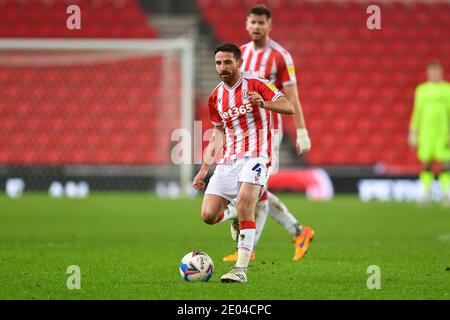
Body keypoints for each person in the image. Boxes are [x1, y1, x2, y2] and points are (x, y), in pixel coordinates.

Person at [221, 4, 315, 263]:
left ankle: (250, 243)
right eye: (252, 22)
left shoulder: (281, 56)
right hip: (243, 131)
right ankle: (296, 232)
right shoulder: (238, 54)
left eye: (261, 23)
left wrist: (301, 130)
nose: (256, 27)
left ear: (269, 26)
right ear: (246, 24)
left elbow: (292, 98)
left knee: (255, 190)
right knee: (256, 192)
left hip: (268, 133)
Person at [193, 43, 293, 283]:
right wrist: (204, 169)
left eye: (228, 62)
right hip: (228, 160)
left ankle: (240, 269)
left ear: (239, 62)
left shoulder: (257, 83)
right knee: (208, 215)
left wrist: (264, 103)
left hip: (257, 156)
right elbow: (218, 134)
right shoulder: (216, 96)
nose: (223, 67)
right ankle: (233, 213)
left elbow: (288, 106)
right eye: (218, 63)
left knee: (246, 203)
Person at [409, 60, 450, 205]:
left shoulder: (447, 89)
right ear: (428, 73)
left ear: (441, 72)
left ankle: (447, 193)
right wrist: (413, 133)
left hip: (443, 133)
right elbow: (417, 113)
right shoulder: (421, 90)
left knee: (446, 164)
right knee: (426, 163)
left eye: (437, 71)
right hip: (426, 133)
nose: (434, 74)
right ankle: (426, 193)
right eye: (432, 71)